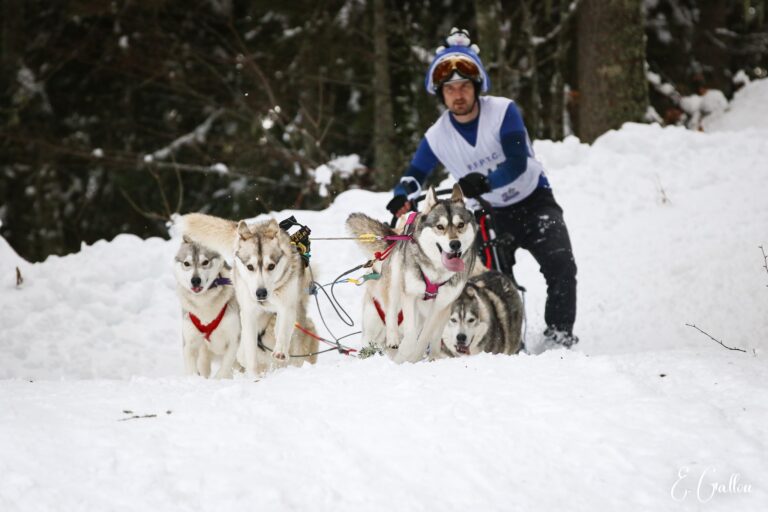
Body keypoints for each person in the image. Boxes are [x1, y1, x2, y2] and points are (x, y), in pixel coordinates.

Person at [385, 28, 579, 348]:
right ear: (441, 93)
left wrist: (486, 181)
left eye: (464, 87)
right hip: (488, 215)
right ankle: (508, 342)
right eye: (449, 89)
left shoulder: (503, 111)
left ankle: (559, 334)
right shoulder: (437, 135)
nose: (458, 95)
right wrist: (401, 196)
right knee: (496, 282)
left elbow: (517, 161)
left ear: (476, 87)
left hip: (534, 201)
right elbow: (414, 174)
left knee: (561, 265)